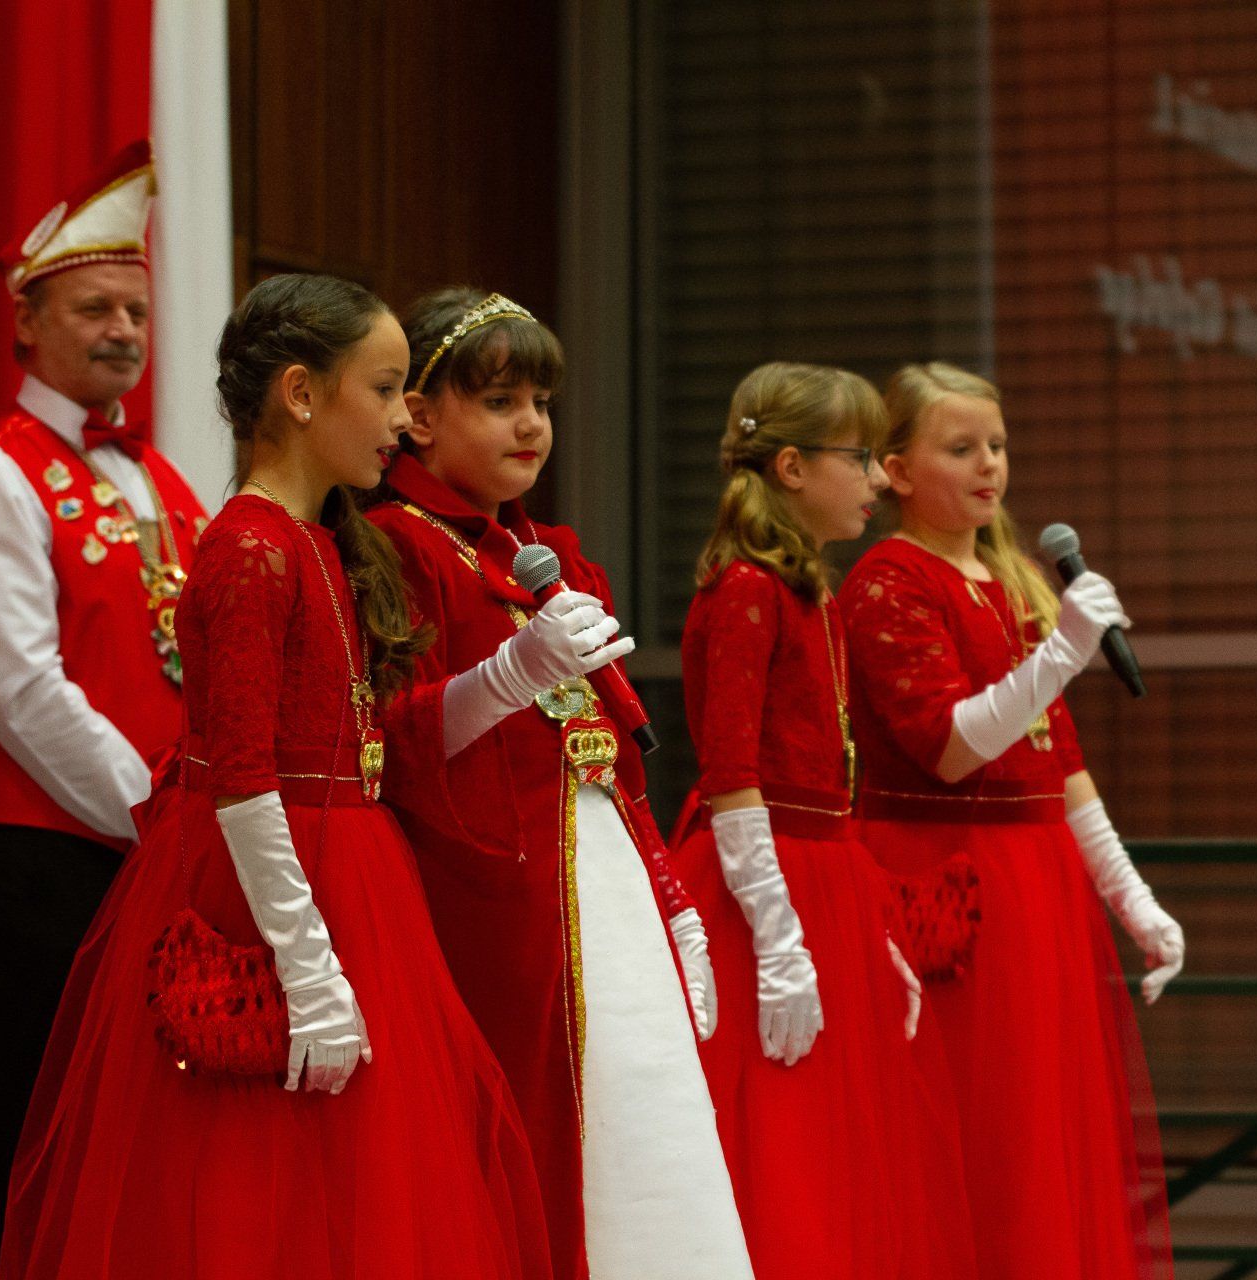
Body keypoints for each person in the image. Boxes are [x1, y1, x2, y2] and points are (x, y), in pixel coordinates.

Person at [0, 274, 581, 1277]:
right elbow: (241, 774)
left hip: (353, 869)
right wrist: (307, 971)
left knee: (356, 1176)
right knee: (262, 1173)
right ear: (303, 395)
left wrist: (513, 673)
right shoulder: (249, 550)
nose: (401, 418)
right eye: (386, 388)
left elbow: (369, 733)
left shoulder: (322, 540)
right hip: (277, 881)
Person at [369, 286, 750, 1279]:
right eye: (500, 401)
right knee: (529, 1134)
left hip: (600, 882)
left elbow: (614, 751)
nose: (532, 424)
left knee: (642, 1109)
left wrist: (671, 894)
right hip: (485, 889)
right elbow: (389, 740)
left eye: (541, 401)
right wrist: (507, 677)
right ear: (420, 415)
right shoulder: (395, 545)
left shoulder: (553, 556)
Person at [838, 361, 1179, 1279]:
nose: (988, 464)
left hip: (1039, 887)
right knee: (976, 1132)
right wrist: (1062, 652)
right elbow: (950, 747)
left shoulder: (1013, 576)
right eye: (960, 448)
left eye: (997, 445)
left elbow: (1055, 760)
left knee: (1042, 1135)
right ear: (896, 470)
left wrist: (1131, 897)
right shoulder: (887, 583)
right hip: (952, 881)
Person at [0, 139, 210, 1267]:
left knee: (137, 1124)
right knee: (27, 1116)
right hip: (44, 856)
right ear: (26, 322)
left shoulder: (162, 478)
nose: (122, 331)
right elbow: (19, 688)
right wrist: (154, 812)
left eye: (137, 312)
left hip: (153, 846)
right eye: (94, 308)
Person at [667, 362, 975, 1279]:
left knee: (846, 1148)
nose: (878, 478)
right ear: (793, 467)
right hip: (766, 887)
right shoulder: (747, 589)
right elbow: (731, 775)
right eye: (860, 458)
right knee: (783, 1145)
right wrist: (777, 941)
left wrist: (867, 926)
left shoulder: (809, 590)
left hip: (827, 879)